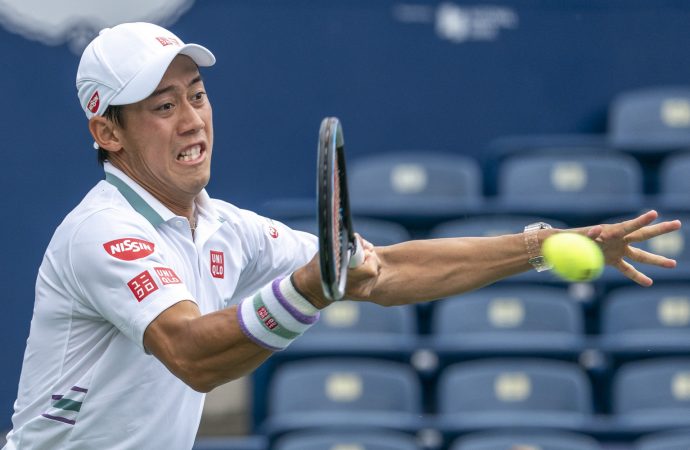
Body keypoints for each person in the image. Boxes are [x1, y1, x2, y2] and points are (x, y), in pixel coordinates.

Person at [3, 22, 681, 450]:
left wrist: (539, 246)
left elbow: (381, 271)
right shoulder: (106, 233)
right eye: (161, 106)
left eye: (196, 94)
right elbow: (190, 354)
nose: (190, 120)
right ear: (107, 133)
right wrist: (307, 289)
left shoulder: (223, 227)